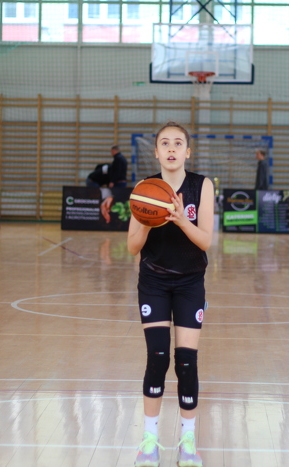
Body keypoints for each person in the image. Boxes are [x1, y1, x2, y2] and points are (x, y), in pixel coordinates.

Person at [128, 122, 214, 467]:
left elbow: (205, 241)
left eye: (178, 143)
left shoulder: (201, 185)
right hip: (154, 283)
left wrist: (179, 219)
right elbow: (132, 247)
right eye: (165, 143)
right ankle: (149, 441)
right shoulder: (144, 189)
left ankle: (187, 443)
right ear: (156, 152)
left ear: (187, 152)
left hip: (190, 283)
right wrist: (148, 219)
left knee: (186, 362)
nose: (172, 148)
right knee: (158, 357)